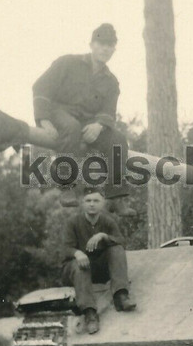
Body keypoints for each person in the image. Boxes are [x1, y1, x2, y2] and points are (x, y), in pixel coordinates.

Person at [33, 23, 132, 213]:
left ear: (114, 50)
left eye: (110, 45)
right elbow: (40, 87)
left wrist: (99, 126)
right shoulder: (67, 62)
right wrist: (44, 120)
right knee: (71, 127)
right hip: (58, 112)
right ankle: (66, 188)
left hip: (87, 122)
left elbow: (109, 111)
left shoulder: (111, 81)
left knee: (118, 140)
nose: (105, 48)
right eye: (101, 43)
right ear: (91, 44)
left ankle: (116, 197)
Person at [61, 187, 135, 335]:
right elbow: (64, 249)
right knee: (79, 265)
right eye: (88, 201)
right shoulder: (73, 222)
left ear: (102, 204)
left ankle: (121, 295)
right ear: (82, 204)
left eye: (96, 201)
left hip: (99, 270)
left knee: (116, 249)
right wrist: (77, 253)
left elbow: (121, 241)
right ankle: (90, 314)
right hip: (76, 270)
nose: (92, 204)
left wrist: (103, 236)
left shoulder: (108, 221)